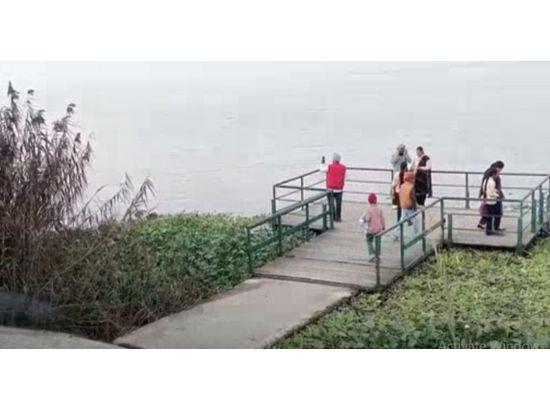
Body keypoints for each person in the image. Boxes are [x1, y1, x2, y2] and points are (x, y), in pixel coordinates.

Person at [478, 161, 505, 231]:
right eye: (500, 169)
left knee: (488, 212)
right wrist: (500, 195)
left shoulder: (488, 173)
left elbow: (484, 185)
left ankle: (484, 225)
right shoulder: (493, 176)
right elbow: (496, 188)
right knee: (496, 212)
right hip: (493, 197)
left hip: (488, 196)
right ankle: (494, 228)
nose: (500, 172)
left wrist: (482, 194)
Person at [358, 193, 386, 262]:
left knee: (369, 241)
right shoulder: (379, 208)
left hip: (370, 229)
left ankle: (372, 254)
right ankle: (377, 255)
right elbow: (382, 218)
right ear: (376, 200)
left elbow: (368, 219)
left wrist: (364, 220)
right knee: (378, 242)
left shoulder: (369, 209)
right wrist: (383, 226)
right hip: (378, 228)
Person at [320, 153, 347, 222]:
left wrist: (322, 163)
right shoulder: (343, 167)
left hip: (330, 189)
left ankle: (333, 217)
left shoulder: (329, 167)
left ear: (333, 160)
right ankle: (338, 217)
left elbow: (321, 170)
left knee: (331, 204)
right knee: (338, 204)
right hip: (339, 189)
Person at [393, 172, 418, 240]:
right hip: (410, 207)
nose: (414, 180)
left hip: (403, 206)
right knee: (415, 221)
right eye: (413, 179)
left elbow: (400, 195)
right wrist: (415, 207)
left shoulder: (402, 186)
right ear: (410, 179)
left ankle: (396, 233)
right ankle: (416, 234)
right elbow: (413, 198)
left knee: (401, 220)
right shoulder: (411, 187)